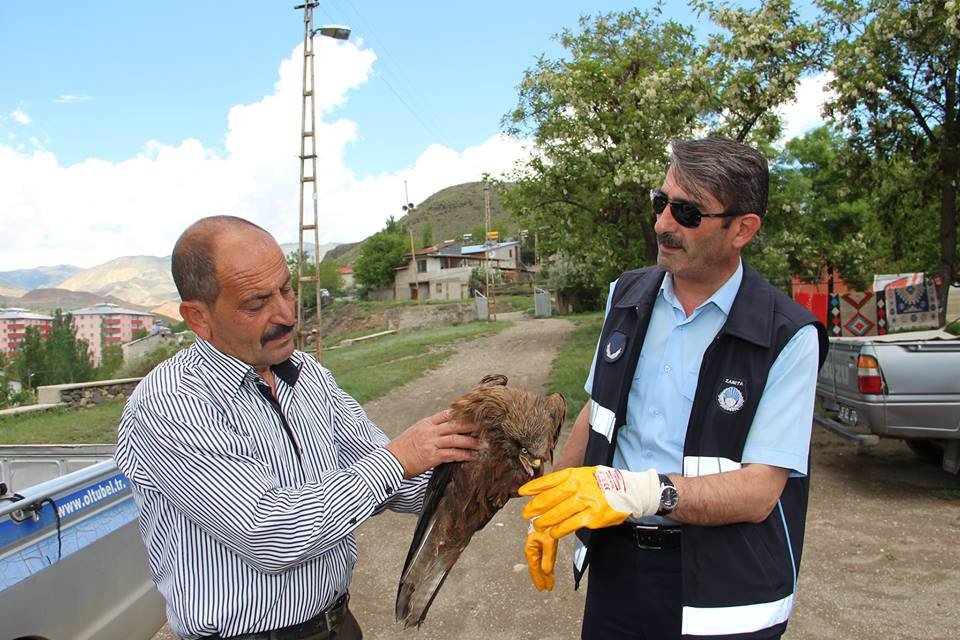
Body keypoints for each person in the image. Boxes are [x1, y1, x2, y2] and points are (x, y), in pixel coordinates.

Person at [116, 215, 482, 640]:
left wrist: (480, 474)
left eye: (286, 289)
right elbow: (272, 534)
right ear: (199, 318)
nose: (287, 315)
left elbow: (387, 480)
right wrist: (399, 459)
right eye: (256, 304)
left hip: (337, 623)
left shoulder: (306, 374)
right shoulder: (171, 403)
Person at [520, 137, 828, 640]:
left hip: (723, 587)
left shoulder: (787, 335)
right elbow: (598, 410)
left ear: (742, 229)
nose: (663, 223)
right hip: (617, 567)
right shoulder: (626, 295)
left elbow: (759, 492)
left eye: (688, 212)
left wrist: (638, 490)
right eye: (660, 202)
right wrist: (550, 508)